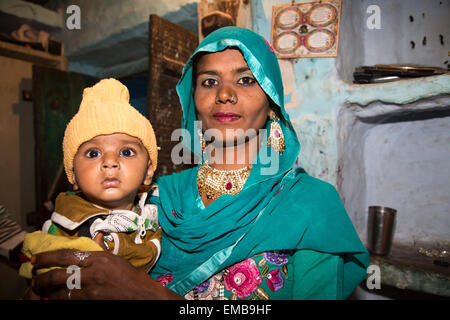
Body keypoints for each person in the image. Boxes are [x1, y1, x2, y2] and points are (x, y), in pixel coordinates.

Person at [29, 27, 368, 300]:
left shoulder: (311, 205)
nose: (224, 94)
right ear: (194, 103)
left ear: (272, 103)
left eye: (246, 79)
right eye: (209, 81)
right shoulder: (156, 196)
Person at [20, 79, 161, 284]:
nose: (110, 162)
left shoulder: (155, 210)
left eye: (126, 152)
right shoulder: (67, 227)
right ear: (74, 175)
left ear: (149, 170)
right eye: (93, 153)